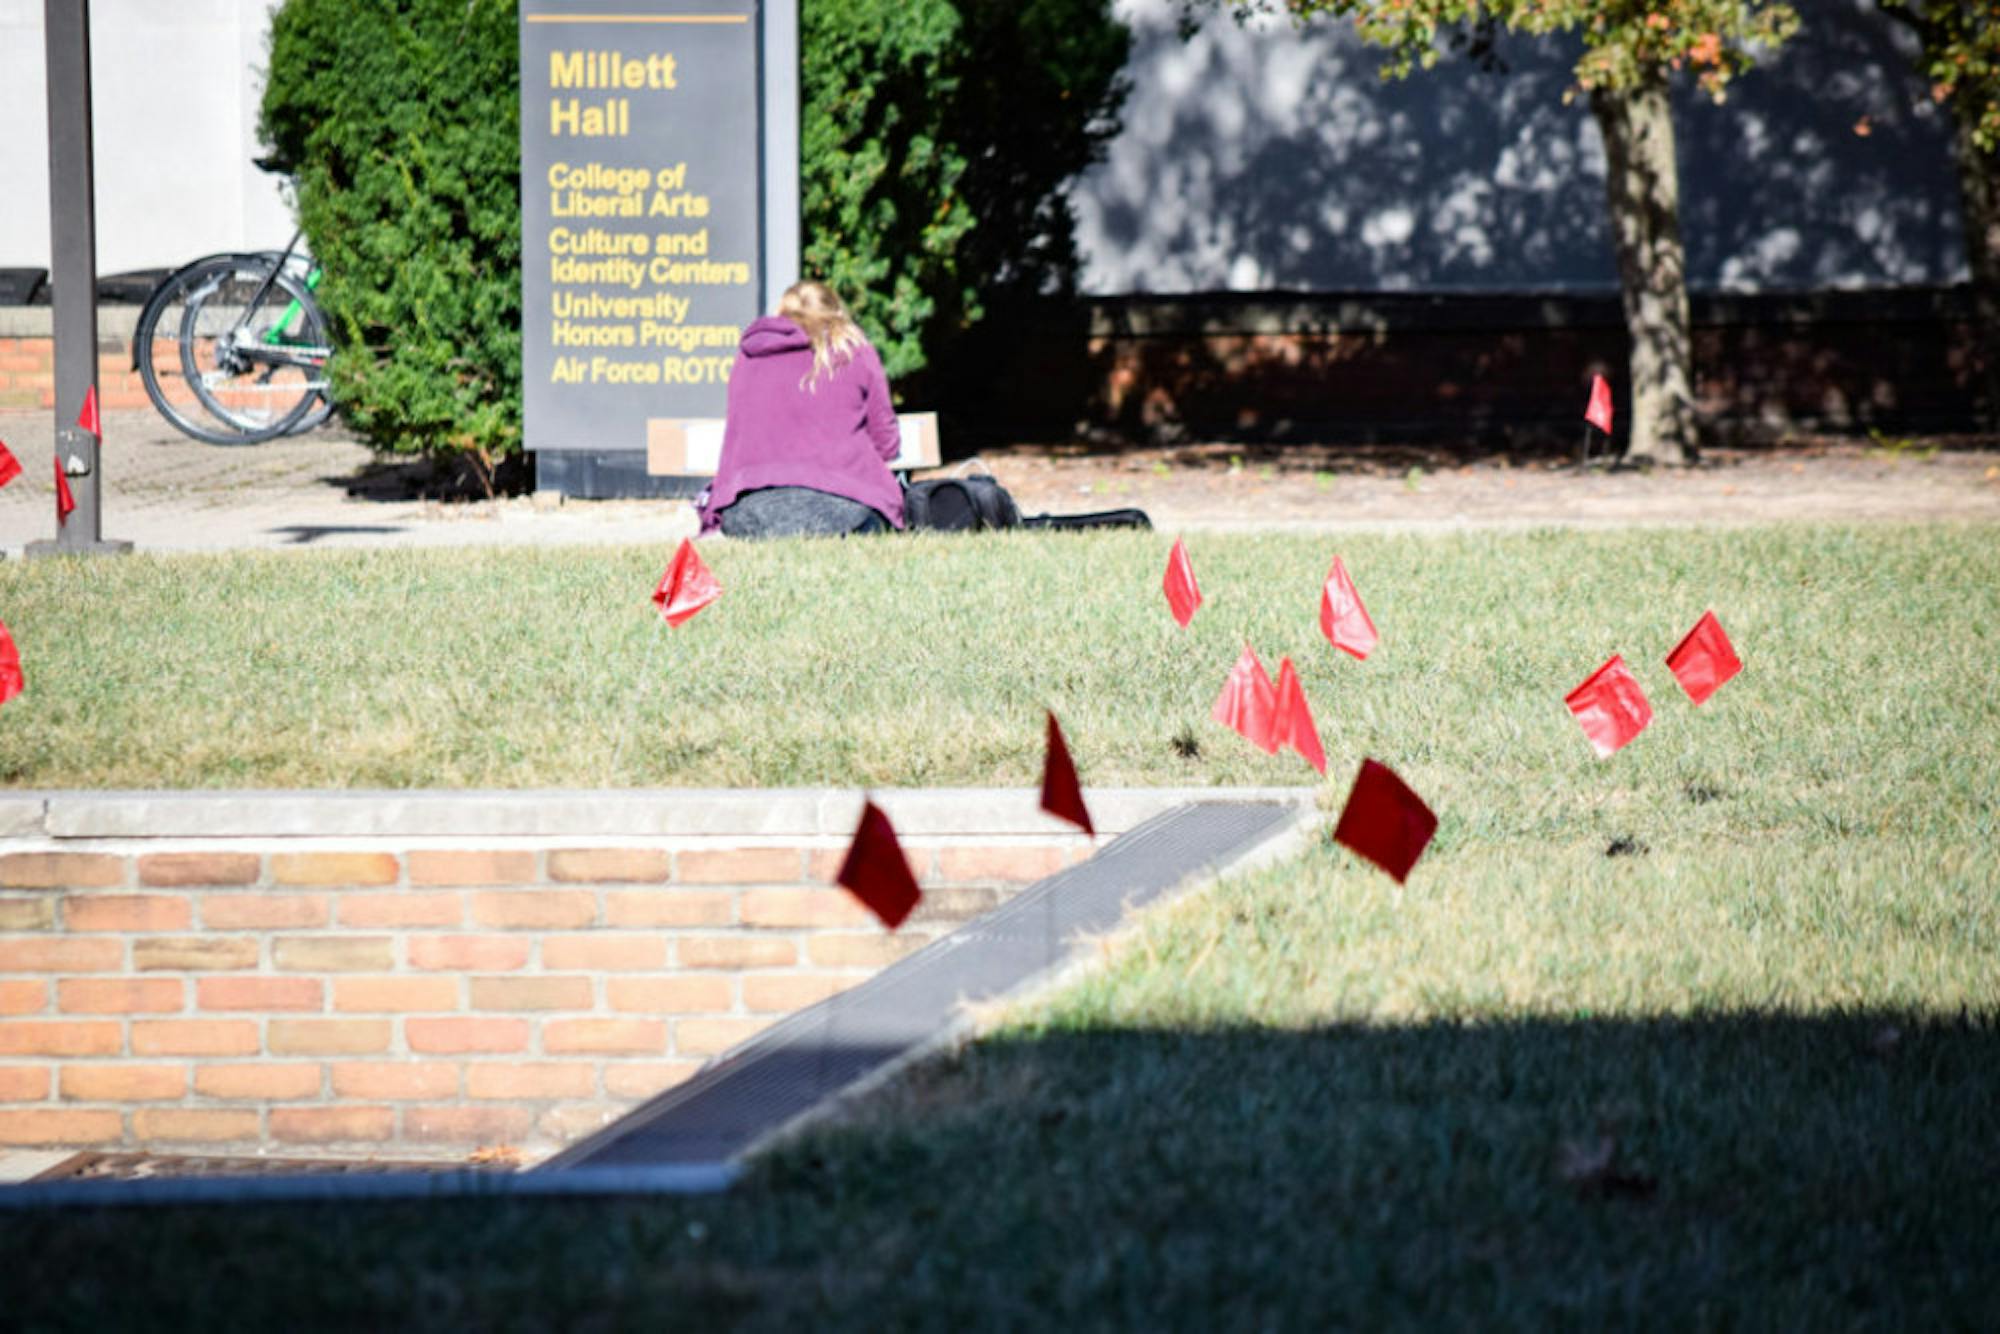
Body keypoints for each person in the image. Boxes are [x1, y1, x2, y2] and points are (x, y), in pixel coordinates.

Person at [697, 281, 904, 538]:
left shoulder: (748, 354)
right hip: (845, 504)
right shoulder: (852, 350)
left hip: (747, 509)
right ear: (835, 312)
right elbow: (887, 444)